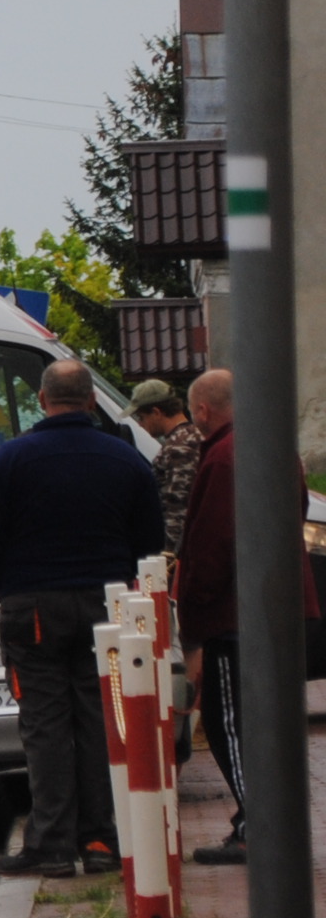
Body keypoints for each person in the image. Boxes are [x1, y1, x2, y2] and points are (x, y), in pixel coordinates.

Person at [0, 359, 164, 877]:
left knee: (45, 726)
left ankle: (50, 844)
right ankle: (100, 840)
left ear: (43, 402)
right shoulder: (126, 460)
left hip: (33, 608)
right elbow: (151, 540)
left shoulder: (10, 461)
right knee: (99, 721)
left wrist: (2, 584)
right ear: (92, 401)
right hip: (108, 604)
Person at [172, 369, 312, 865]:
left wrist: (194, 611)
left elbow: (211, 542)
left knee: (228, 719)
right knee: (266, 720)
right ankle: (260, 820)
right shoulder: (277, 449)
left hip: (234, 611)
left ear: (203, 411)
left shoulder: (225, 457)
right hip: (277, 604)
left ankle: (259, 824)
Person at [128, 380, 205, 552]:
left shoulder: (179, 447)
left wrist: (168, 557)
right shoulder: (191, 435)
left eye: (141, 417)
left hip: (181, 550)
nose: (140, 424)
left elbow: (177, 508)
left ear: (156, 412)